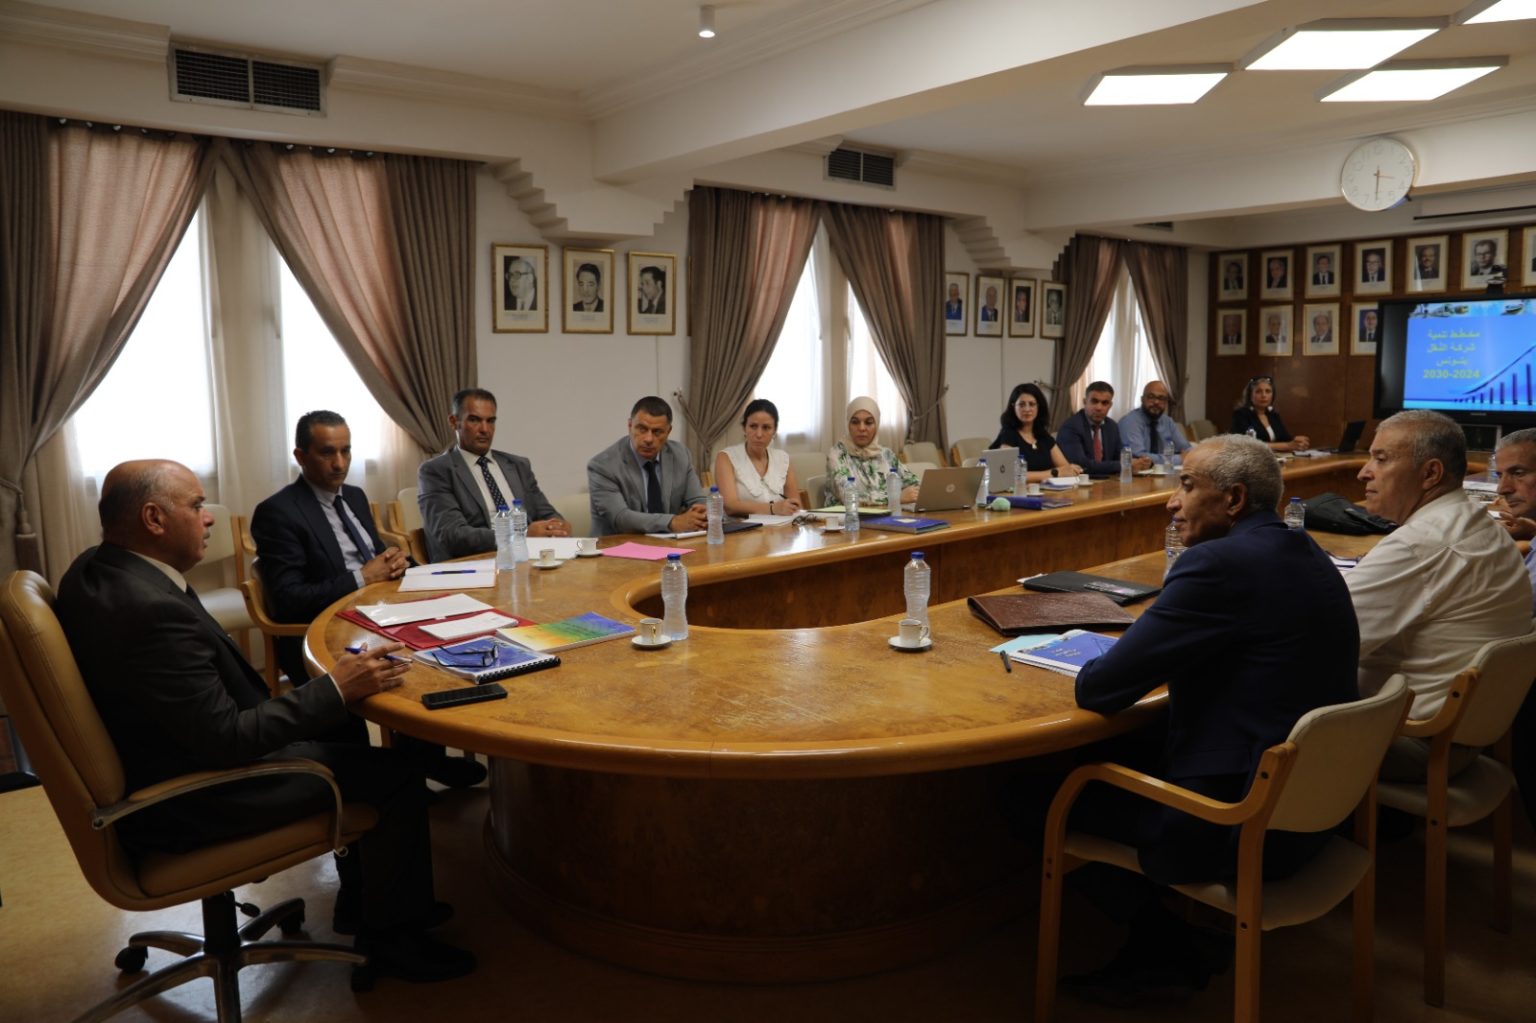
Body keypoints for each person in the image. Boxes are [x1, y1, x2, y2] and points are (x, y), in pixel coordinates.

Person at [55, 459, 475, 982]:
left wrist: (329, 697)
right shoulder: (148, 611)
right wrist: (337, 687)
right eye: (196, 505)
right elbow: (227, 739)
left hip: (162, 760)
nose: (209, 517)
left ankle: (365, 899)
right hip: (195, 796)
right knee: (395, 776)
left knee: (341, 729)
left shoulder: (96, 571)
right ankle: (395, 940)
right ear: (153, 519)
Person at [1064, 435, 1359, 1002]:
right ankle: (1179, 934)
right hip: (1314, 813)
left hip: (1239, 825)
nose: (1171, 502)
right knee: (1126, 751)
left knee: (1033, 794)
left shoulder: (1216, 564)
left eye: (1187, 485)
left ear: (1234, 500)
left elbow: (1100, 689)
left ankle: (1164, 951)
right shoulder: (1304, 548)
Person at [256, 411, 485, 789]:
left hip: (380, 612)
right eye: (327, 452)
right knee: (409, 663)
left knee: (450, 648)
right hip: (324, 631)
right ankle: (402, 775)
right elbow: (287, 600)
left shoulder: (355, 496)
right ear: (300, 456)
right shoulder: (278, 512)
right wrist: (363, 576)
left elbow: (375, 555)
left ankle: (424, 760)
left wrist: (395, 562)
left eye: (346, 451)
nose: (339, 463)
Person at [1346, 411, 1531, 739]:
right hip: (1470, 728)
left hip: (1404, 736)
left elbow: (1319, 644)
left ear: (1430, 473)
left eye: (1381, 459)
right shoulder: (1481, 525)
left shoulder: (1421, 544)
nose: (1364, 473)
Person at [418, 388, 568, 562]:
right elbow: (452, 535)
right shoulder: (436, 471)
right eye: (474, 420)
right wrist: (519, 536)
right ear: (454, 422)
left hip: (529, 558)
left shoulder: (518, 465)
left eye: (490, 421)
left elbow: (546, 512)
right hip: (473, 563)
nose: (485, 429)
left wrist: (558, 526)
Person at [588, 395, 709, 535]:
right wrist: (672, 522)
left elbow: (697, 500)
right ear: (630, 426)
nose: (649, 439)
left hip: (669, 542)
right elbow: (620, 518)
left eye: (657, 432)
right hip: (618, 544)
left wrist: (702, 514)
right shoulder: (603, 466)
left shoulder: (680, 454)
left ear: (668, 431)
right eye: (642, 429)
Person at [713, 399, 803, 516]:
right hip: (741, 526)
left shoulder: (783, 458)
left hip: (782, 526)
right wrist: (773, 508)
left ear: (774, 431)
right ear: (744, 428)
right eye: (753, 426)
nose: (759, 434)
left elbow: (796, 505)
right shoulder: (726, 457)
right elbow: (730, 506)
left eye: (766, 427)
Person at [826, 395, 920, 505]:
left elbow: (913, 483)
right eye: (855, 422)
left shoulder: (886, 454)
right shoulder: (837, 455)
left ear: (877, 425)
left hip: (884, 514)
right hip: (846, 515)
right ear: (848, 425)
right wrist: (894, 497)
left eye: (868, 422)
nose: (861, 428)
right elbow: (849, 496)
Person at [989, 383, 1084, 482]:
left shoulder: (1043, 435)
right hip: (1017, 491)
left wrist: (1070, 470)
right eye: (1022, 404)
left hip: (1044, 490)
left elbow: (1065, 468)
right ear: (1013, 407)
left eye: (1032, 404)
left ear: (1039, 407)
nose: (1027, 409)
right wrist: (1054, 473)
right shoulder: (1008, 434)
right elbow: (1011, 475)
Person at [1057, 380, 1151, 476]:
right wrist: (1125, 465)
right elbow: (1081, 465)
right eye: (1094, 401)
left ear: (1110, 405)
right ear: (1085, 402)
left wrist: (1140, 462)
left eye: (1104, 403)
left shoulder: (1112, 426)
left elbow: (1119, 456)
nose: (1099, 407)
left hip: (1106, 480)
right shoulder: (1071, 427)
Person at [1228, 376, 1309, 452]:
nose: (1264, 395)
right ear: (1250, 396)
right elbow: (1248, 444)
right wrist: (1287, 446)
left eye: (1268, 391)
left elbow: (1286, 439)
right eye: (1258, 391)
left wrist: (1297, 443)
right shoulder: (1241, 414)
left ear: (1272, 396)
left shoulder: (1273, 415)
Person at [1118, 381, 1191, 465]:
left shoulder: (1168, 422)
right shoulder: (1130, 422)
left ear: (1166, 402)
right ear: (1142, 399)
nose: (1156, 402)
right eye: (1151, 397)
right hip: (1139, 472)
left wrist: (1190, 455)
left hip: (1165, 471)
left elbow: (1186, 449)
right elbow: (1138, 456)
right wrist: (1178, 459)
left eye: (1161, 398)